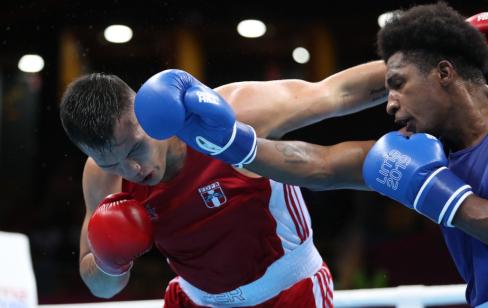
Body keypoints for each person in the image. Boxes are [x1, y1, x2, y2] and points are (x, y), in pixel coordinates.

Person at [134, 4, 488, 308]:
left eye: (399, 85)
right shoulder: (423, 151)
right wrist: (232, 143)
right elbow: (323, 164)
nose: (389, 104)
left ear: (444, 73)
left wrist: (444, 198)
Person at [59, 60, 388, 307]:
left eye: (135, 148)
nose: (131, 169)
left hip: (288, 294)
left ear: (147, 112)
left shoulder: (235, 109)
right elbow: (102, 288)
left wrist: (420, 70)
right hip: (194, 300)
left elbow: (335, 92)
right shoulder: (101, 176)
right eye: (110, 161)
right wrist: (109, 259)